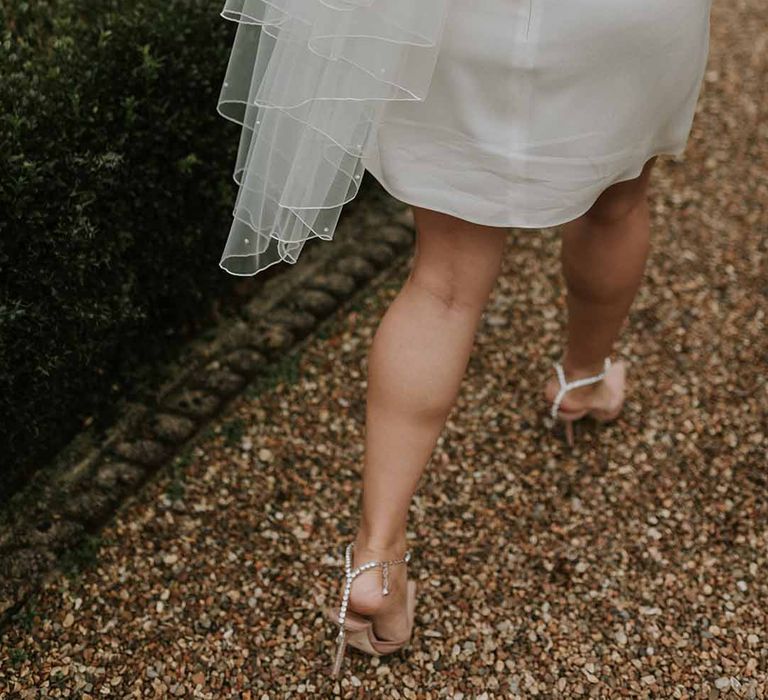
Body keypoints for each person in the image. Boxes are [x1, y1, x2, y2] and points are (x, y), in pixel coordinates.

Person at [216, 0, 713, 678]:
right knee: (618, 203)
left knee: (444, 285)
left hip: (464, 25)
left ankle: (376, 556)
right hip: (620, 22)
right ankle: (582, 380)